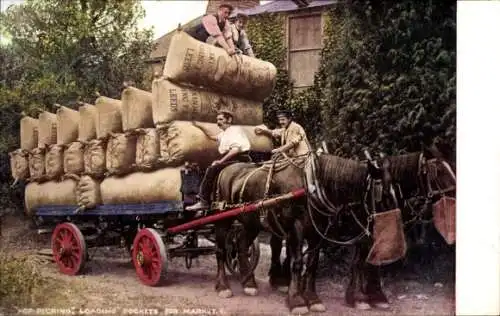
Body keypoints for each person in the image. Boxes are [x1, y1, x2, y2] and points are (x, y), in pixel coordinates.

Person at [186, 110, 252, 212]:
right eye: (217, 120)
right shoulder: (224, 133)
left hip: (238, 158)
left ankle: (204, 201)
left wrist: (221, 161)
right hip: (234, 157)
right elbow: (213, 137)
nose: (218, 122)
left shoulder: (234, 130)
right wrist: (199, 126)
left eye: (221, 119)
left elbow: (235, 149)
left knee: (211, 169)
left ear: (229, 120)